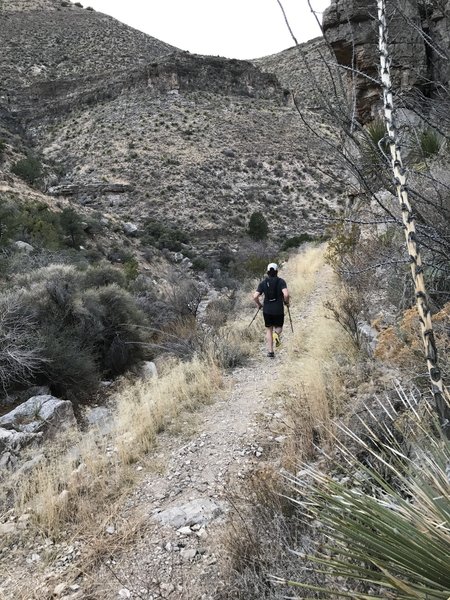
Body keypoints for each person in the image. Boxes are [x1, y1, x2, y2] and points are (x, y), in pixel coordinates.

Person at [253, 262, 290, 358]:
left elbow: (255, 296)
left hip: (267, 310)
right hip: (278, 309)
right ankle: (276, 334)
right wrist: (286, 302)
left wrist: (259, 305)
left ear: (267, 272)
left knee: (268, 329)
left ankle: (270, 352)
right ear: (277, 271)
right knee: (279, 327)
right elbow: (286, 294)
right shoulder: (281, 281)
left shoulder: (263, 283)